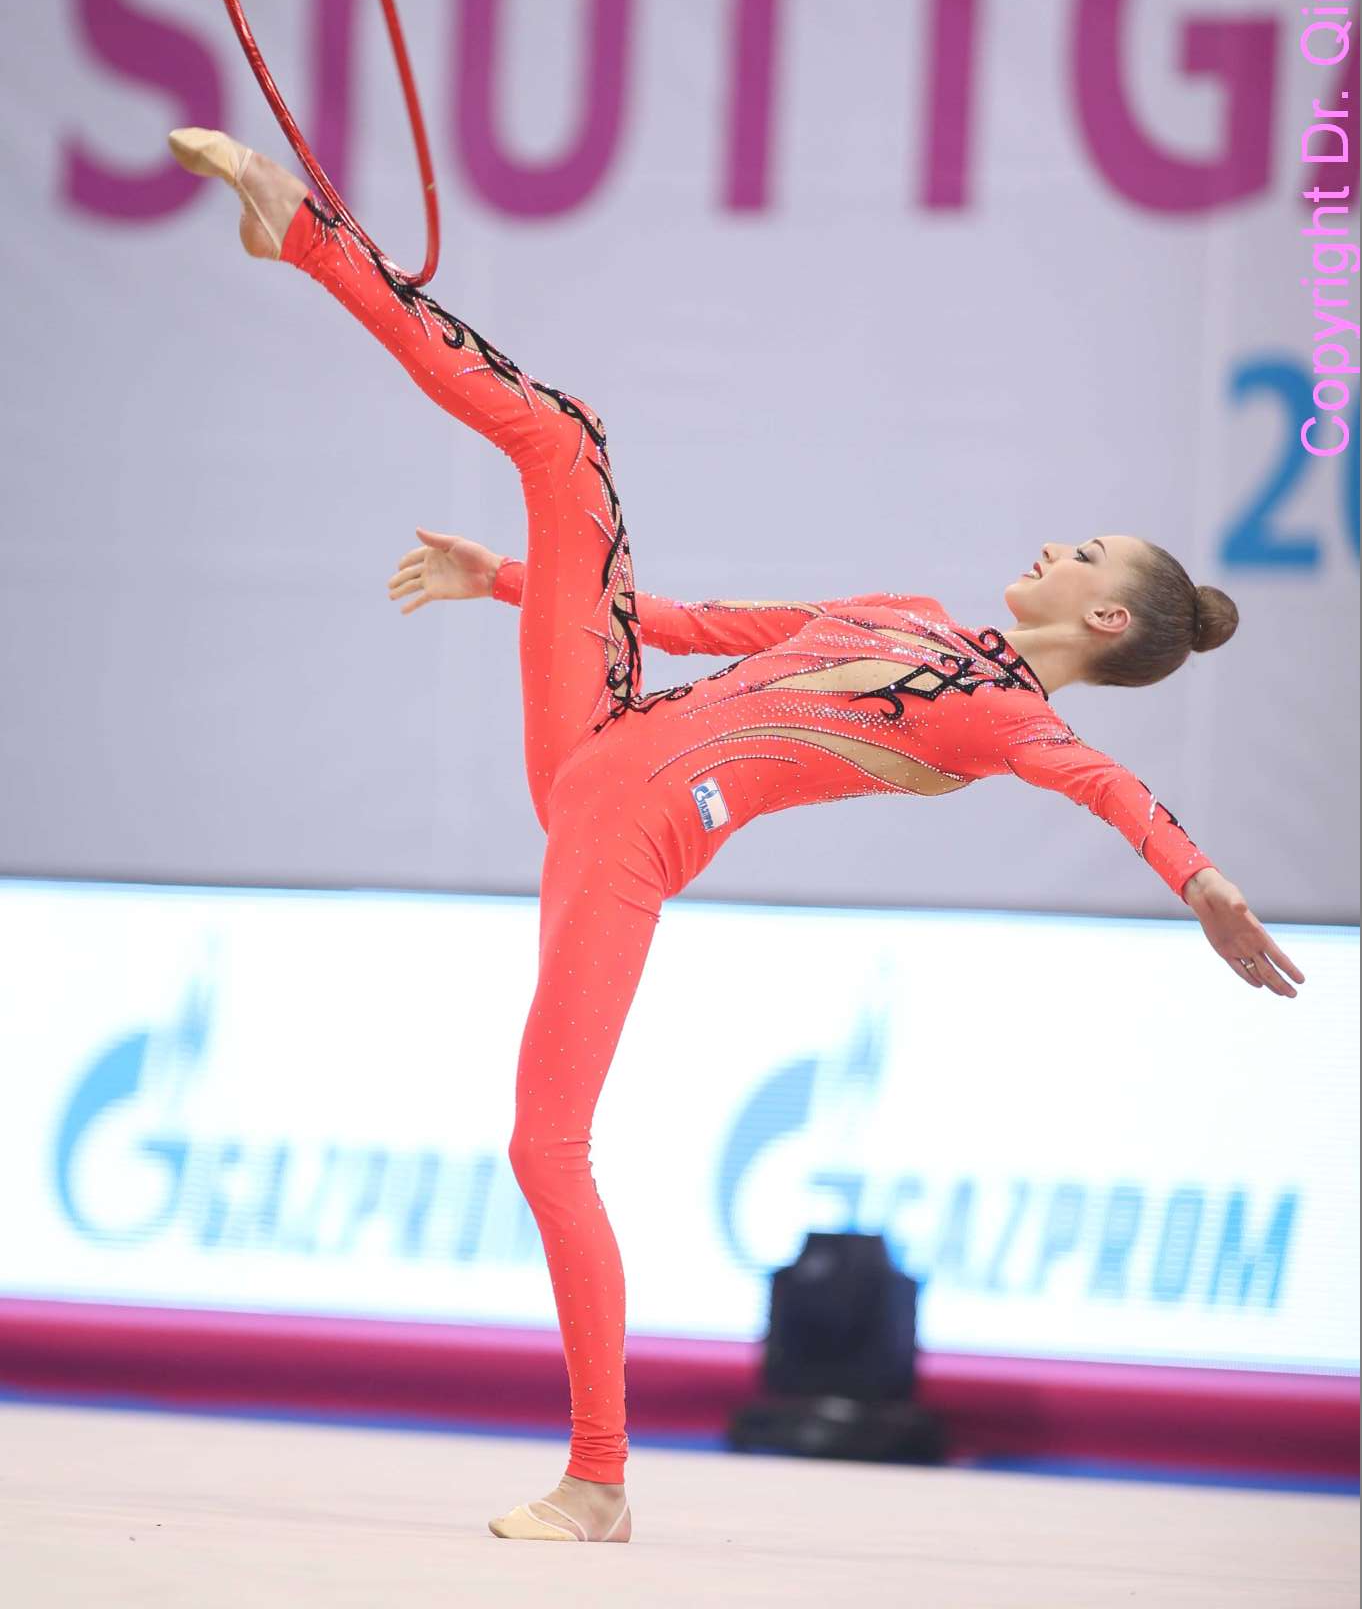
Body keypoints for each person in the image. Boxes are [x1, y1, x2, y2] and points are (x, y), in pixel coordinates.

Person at [168, 127, 1307, 1544]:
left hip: (635, 831)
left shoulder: (1008, 719)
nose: (1054, 548)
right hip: (601, 726)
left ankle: (597, 1481)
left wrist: (1202, 882)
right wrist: (509, 577)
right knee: (565, 438)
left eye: (1082, 555)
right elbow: (695, 624)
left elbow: (1109, 790)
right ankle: (303, 235)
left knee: (544, 1149)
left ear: (1106, 617)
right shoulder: (907, 615)